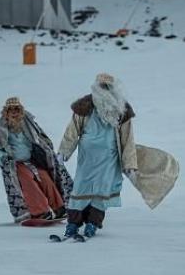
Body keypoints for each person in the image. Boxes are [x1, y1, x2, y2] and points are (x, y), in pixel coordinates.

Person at [58, 73, 138, 238]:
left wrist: (129, 164)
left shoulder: (122, 109)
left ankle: (92, 224)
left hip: (109, 159)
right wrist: (64, 151)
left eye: (108, 86)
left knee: (101, 192)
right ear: (96, 87)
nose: (105, 90)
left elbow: (127, 139)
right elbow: (72, 131)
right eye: (102, 86)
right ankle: (72, 224)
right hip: (87, 158)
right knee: (81, 188)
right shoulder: (85, 105)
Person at [0, 97, 72, 222]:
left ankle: (58, 207)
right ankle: (40, 211)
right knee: (28, 181)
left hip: (32, 160)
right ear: (6, 111)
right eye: (11, 109)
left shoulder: (28, 122)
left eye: (16, 108)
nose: (14, 111)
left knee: (45, 178)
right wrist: (5, 160)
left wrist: (46, 148)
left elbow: (40, 136)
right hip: (15, 163)